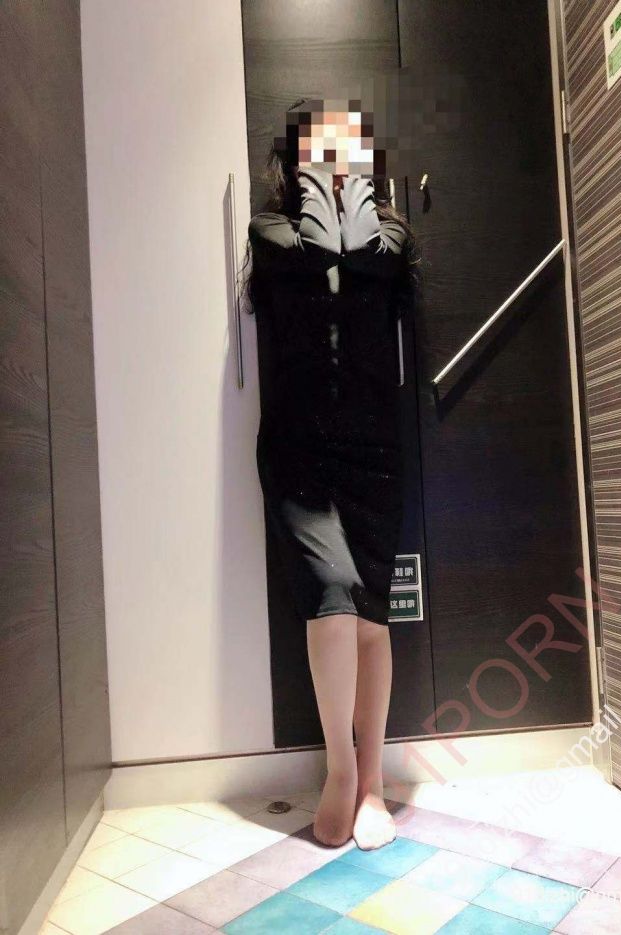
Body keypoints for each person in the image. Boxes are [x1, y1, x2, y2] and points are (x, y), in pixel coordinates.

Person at [240, 98, 420, 850]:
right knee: (332, 599)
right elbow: (316, 258)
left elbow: (367, 260)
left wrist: (357, 200)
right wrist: (319, 191)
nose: (339, 158)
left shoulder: (391, 235)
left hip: (375, 449)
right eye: (322, 147)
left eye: (350, 148)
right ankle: (340, 770)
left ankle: (373, 780)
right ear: (297, 158)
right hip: (298, 450)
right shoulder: (271, 232)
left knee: (373, 618)